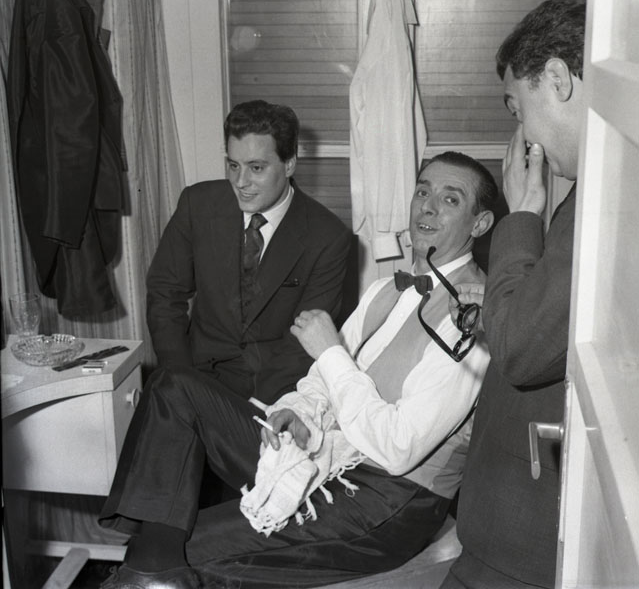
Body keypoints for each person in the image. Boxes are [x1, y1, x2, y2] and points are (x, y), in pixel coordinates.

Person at [98, 152, 498, 589]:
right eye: (423, 191)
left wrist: (330, 352)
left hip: (385, 502)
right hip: (323, 452)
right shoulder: (385, 289)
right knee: (174, 387)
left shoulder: (473, 317)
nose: (428, 207)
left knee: (179, 551)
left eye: (450, 199)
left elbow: (398, 449)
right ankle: (149, 571)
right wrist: (299, 410)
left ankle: (146, 571)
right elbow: (320, 383)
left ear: (479, 224)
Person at [439, 0, 586, 589]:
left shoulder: (610, 200)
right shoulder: (591, 190)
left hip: (525, 546)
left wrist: (523, 212)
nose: (520, 131)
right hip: (506, 527)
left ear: (557, 78)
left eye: (518, 107)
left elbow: (521, 350)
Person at [145, 99, 352, 405]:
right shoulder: (197, 204)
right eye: (233, 166)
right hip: (193, 376)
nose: (240, 182)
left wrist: (256, 408)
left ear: (290, 164)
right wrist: (182, 381)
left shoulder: (328, 237)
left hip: (271, 394)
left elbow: (301, 345)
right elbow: (164, 294)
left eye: (256, 168)